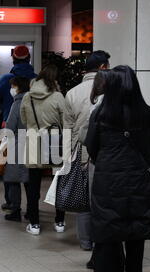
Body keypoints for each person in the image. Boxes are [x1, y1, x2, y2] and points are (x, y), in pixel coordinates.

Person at [85, 65, 150, 272]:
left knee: (108, 227)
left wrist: (106, 163)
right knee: (136, 227)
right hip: (138, 178)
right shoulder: (146, 113)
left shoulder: (101, 113)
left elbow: (91, 146)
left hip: (108, 180)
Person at [64, 50, 111, 251]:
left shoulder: (72, 92)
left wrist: (67, 159)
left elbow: (67, 128)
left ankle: (85, 242)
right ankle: (104, 239)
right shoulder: (110, 90)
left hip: (80, 154)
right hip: (106, 154)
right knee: (104, 199)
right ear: (102, 67)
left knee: (83, 201)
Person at [0, 45, 37, 213]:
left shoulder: (6, 79)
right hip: (33, 129)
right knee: (31, 169)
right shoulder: (37, 79)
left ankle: (12, 203)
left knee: (10, 167)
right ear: (29, 58)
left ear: (13, 59)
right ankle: (32, 206)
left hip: (9, 127)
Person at [20, 65, 66, 235]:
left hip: (34, 140)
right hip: (55, 142)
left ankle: (34, 224)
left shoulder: (27, 96)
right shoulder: (58, 97)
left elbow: (24, 120)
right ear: (54, 80)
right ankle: (60, 221)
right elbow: (65, 121)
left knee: (33, 185)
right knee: (59, 183)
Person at [3, 77, 31, 222]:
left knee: (13, 178)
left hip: (18, 144)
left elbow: (10, 126)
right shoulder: (33, 101)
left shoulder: (18, 103)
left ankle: (15, 209)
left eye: (13, 86)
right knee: (30, 179)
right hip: (34, 143)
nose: (12, 89)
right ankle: (32, 210)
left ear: (17, 87)